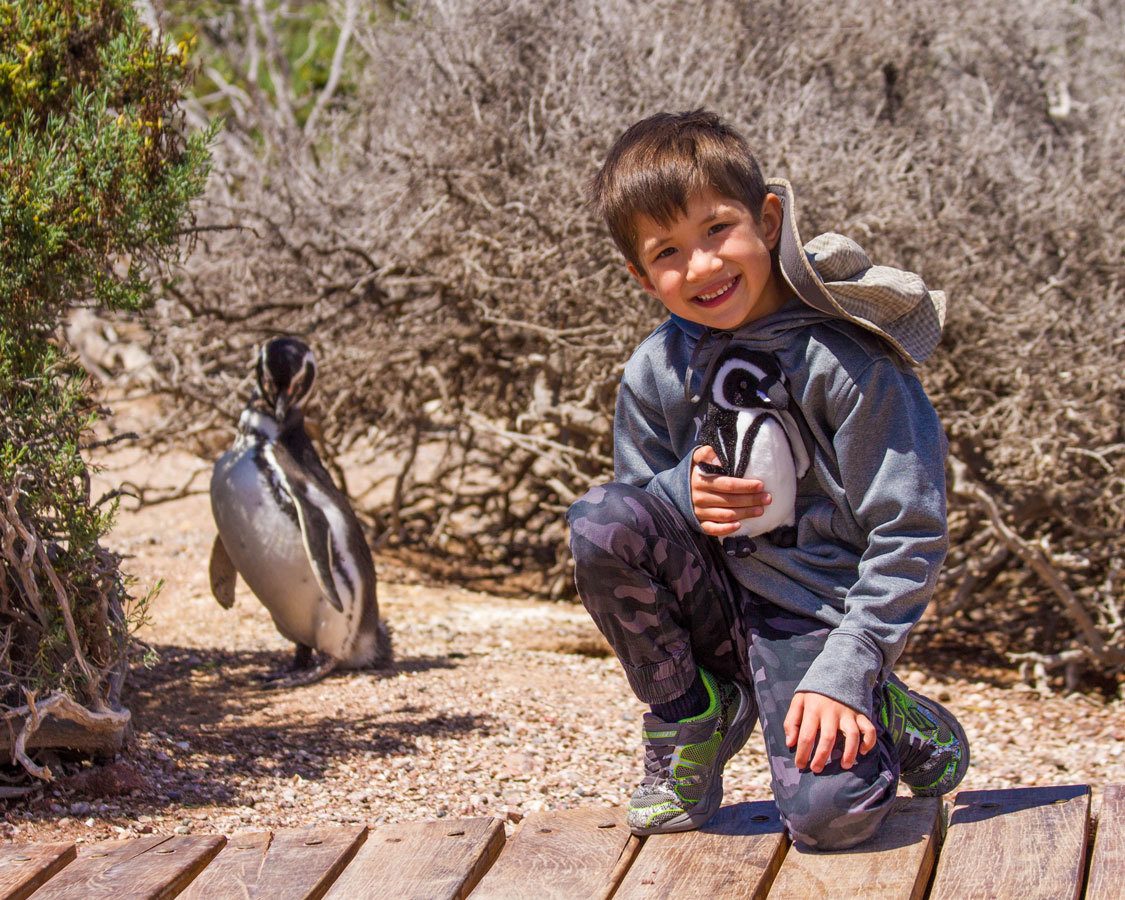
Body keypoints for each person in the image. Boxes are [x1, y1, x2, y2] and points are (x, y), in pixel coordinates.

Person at [566, 109, 969, 850]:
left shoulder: (851, 364)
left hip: (817, 620)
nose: (701, 267)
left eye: (717, 229)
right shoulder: (655, 368)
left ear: (769, 218)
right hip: (712, 610)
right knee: (596, 517)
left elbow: (908, 531)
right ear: (639, 275)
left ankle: (881, 706)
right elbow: (634, 515)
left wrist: (849, 666)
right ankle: (691, 713)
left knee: (829, 821)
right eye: (667, 252)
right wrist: (676, 494)